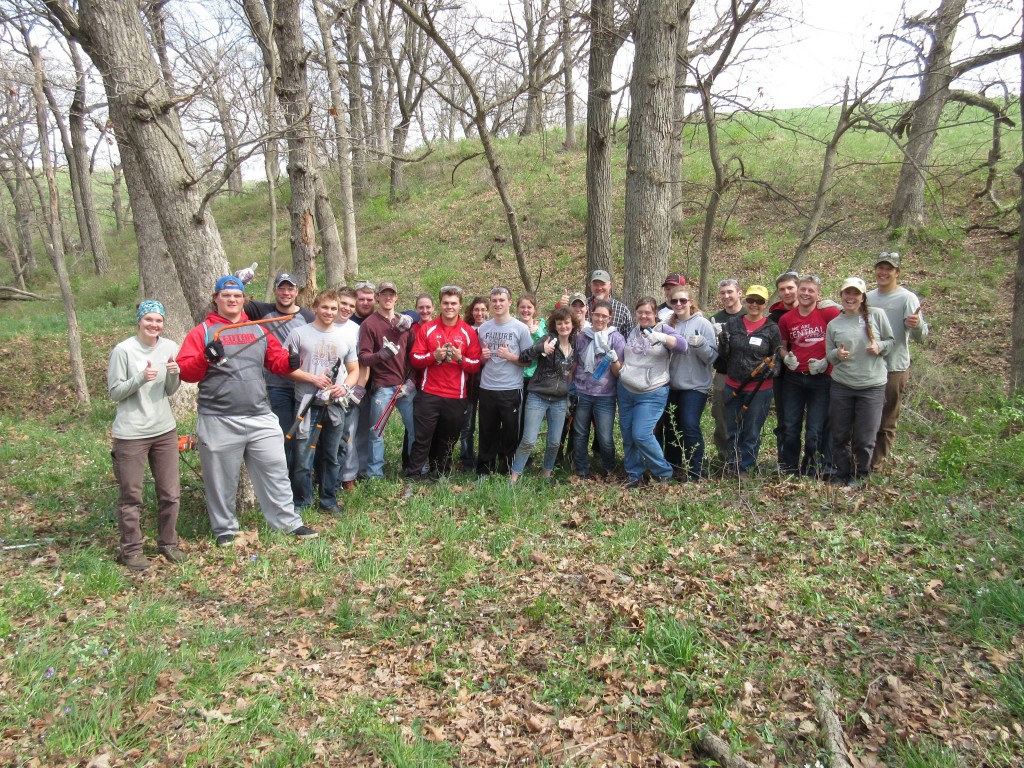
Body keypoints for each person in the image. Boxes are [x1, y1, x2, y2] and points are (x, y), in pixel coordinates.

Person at [177, 275, 318, 545]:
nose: (232, 300)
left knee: (276, 469)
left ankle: (288, 523)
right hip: (218, 417)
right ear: (216, 299)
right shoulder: (203, 332)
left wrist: (290, 362)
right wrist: (204, 357)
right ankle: (225, 530)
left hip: (259, 415)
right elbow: (185, 371)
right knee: (220, 479)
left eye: (237, 296)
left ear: (244, 300)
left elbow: (275, 360)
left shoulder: (257, 328)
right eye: (226, 295)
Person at [107, 300, 183, 570]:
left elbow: (170, 390)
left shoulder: (170, 347)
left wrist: (175, 374)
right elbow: (115, 392)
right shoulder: (123, 350)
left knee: (170, 493)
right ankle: (131, 550)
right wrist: (140, 378)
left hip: (164, 430)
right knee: (131, 496)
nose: (154, 325)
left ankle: (168, 544)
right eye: (149, 319)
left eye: (159, 321)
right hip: (131, 434)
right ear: (139, 320)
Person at [284, 290, 359, 514]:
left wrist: (344, 387)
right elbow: (285, 367)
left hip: (334, 405)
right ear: (316, 307)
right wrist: (312, 378)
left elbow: (354, 370)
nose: (329, 312)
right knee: (303, 456)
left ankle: (328, 500)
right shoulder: (299, 334)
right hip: (306, 404)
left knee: (332, 455)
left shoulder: (345, 337)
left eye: (333, 309)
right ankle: (302, 501)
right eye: (325, 307)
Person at [826, 277, 894, 487]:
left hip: (872, 386)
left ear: (863, 297)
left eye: (856, 294)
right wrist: (838, 353)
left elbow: (891, 342)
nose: (851, 297)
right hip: (842, 386)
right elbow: (829, 355)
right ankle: (842, 473)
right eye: (847, 293)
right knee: (839, 434)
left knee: (865, 438)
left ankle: (861, 475)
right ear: (841, 296)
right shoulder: (834, 324)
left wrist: (879, 347)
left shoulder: (876, 316)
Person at [408, 286, 483, 477]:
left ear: (460, 306)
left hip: (456, 396)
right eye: (446, 303)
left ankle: (441, 473)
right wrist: (433, 356)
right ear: (440, 304)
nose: (449, 307)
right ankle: (414, 474)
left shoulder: (468, 332)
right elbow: (414, 358)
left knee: (448, 438)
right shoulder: (428, 328)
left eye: (453, 303)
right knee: (422, 437)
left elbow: (475, 365)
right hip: (429, 393)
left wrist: (460, 359)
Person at [243, 273, 314, 471]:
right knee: (283, 434)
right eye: (281, 288)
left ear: (297, 292)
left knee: (303, 435)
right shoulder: (261, 311)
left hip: (304, 385)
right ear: (275, 290)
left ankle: (301, 479)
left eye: (290, 289)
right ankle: (284, 481)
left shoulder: (307, 317)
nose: (286, 293)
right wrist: (240, 282)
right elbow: (232, 302)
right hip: (276, 385)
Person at [867, 252, 928, 473]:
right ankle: (861, 460)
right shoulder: (868, 297)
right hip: (869, 366)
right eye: (880, 267)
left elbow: (922, 335)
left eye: (889, 269)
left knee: (887, 418)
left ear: (897, 272)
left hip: (894, 367)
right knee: (866, 416)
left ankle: (876, 465)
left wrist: (917, 323)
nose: (883, 272)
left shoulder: (906, 298)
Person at [618, 297, 687, 488]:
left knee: (641, 434)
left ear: (655, 313)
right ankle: (634, 474)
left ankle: (663, 472)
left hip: (652, 391)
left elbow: (683, 346)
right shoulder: (633, 331)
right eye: (640, 312)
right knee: (628, 435)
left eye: (648, 312)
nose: (643, 316)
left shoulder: (663, 329)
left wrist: (663, 338)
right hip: (626, 390)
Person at [776, 274, 840, 477]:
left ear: (818, 294)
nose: (805, 293)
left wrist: (827, 361)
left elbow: (844, 333)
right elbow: (782, 346)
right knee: (791, 427)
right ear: (798, 290)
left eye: (811, 290)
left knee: (814, 430)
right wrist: (786, 358)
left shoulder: (828, 313)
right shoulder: (787, 318)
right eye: (803, 289)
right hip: (794, 379)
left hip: (821, 378)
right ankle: (790, 468)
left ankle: (812, 467)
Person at [719, 285, 782, 476]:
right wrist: (722, 344)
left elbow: (778, 355)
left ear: (765, 304)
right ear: (745, 301)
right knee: (732, 429)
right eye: (751, 300)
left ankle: (746, 468)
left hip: (759, 389)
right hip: (733, 385)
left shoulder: (771, 328)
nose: (754, 304)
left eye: (759, 301)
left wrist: (772, 370)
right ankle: (731, 464)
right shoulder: (733, 323)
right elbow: (724, 356)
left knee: (752, 430)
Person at [510, 307, 578, 484]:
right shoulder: (548, 340)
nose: (563, 326)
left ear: (572, 324)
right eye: (559, 323)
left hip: (559, 400)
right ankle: (514, 477)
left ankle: (546, 475)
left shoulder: (574, 346)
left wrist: (570, 395)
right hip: (538, 396)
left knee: (555, 442)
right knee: (528, 440)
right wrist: (540, 348)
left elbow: (571, 373)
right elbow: (525, 356)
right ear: (555, 325)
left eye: (566, 322)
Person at [358, 281, 417, 478]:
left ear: (397, 298)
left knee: (415, 429)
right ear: (377, 297)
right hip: (382, 386)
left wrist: (412, 382)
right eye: (384, 294)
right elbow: (364, 357)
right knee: (376, 432)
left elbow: (414, 356)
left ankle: (416, 468)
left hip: (404, 386)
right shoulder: (369, 324)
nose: (388, 298)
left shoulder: (404, 323)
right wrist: (381, 355)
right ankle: (374, 473)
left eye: (392, 294)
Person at [475, 286, 534, 478]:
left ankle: (508, 467)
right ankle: (484, 469)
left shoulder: (520, 328)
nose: (498, 304)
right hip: (487, 387)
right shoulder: (484, 328)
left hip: (511, 388)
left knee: (510, 431)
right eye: (494, 300)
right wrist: (483, 358)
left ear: (509, 302)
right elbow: (480, 360)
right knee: (486, 430)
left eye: (501, 300)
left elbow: (528, 361)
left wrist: (510, 356)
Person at [664, 285, 718, 481]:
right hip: (671, 384)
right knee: (671, 427)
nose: (678, 304)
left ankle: (696, 470)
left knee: (689, 425)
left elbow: (712, 357)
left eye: (683, 301)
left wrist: (702, 344)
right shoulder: (668, 324)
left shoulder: (703, 324)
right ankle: (672, 467)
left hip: (695, 386)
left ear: (691, 302)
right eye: (674, 301)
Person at [572, 299, 624, 479]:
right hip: (582, 392)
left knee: (605, 437)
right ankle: (581, 469)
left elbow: (618, 373)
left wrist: (615, 359)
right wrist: (569, 388)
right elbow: (575, 363)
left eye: (604, 316)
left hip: (605, 395)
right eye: (597, 315)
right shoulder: (581, 336)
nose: (600, 319)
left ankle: (609, 469)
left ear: (609, 318)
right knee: (580, 434)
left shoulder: (616, 338)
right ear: (591, 314)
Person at [709, 278, 745, 461]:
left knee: (746, 417)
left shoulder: (750, 314)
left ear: (739, 293)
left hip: (747, 375)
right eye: (723, 293)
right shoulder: (715, 319)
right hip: (722, 374)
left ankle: (745, 459)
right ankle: (726, 458)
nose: (726, 296)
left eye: (730, 292)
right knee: (721, 416)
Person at [459, 296, 489, 470]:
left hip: (488, 381)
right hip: (469, 381)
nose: (479, 313)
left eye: (483, 310)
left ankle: (485, 456)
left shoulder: (491, 328)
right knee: (467, 423)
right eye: (476, 310)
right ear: (471, 311)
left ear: (487, 311)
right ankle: (467, 458)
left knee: (486, 423)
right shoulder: (465, 329)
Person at [588, 270, 632, 334]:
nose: (599, 288)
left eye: (603, 284)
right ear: (590, 286)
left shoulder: (622, 310)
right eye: (595, 284)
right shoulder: (581, 307)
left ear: (610, 285)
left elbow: (629, 339)